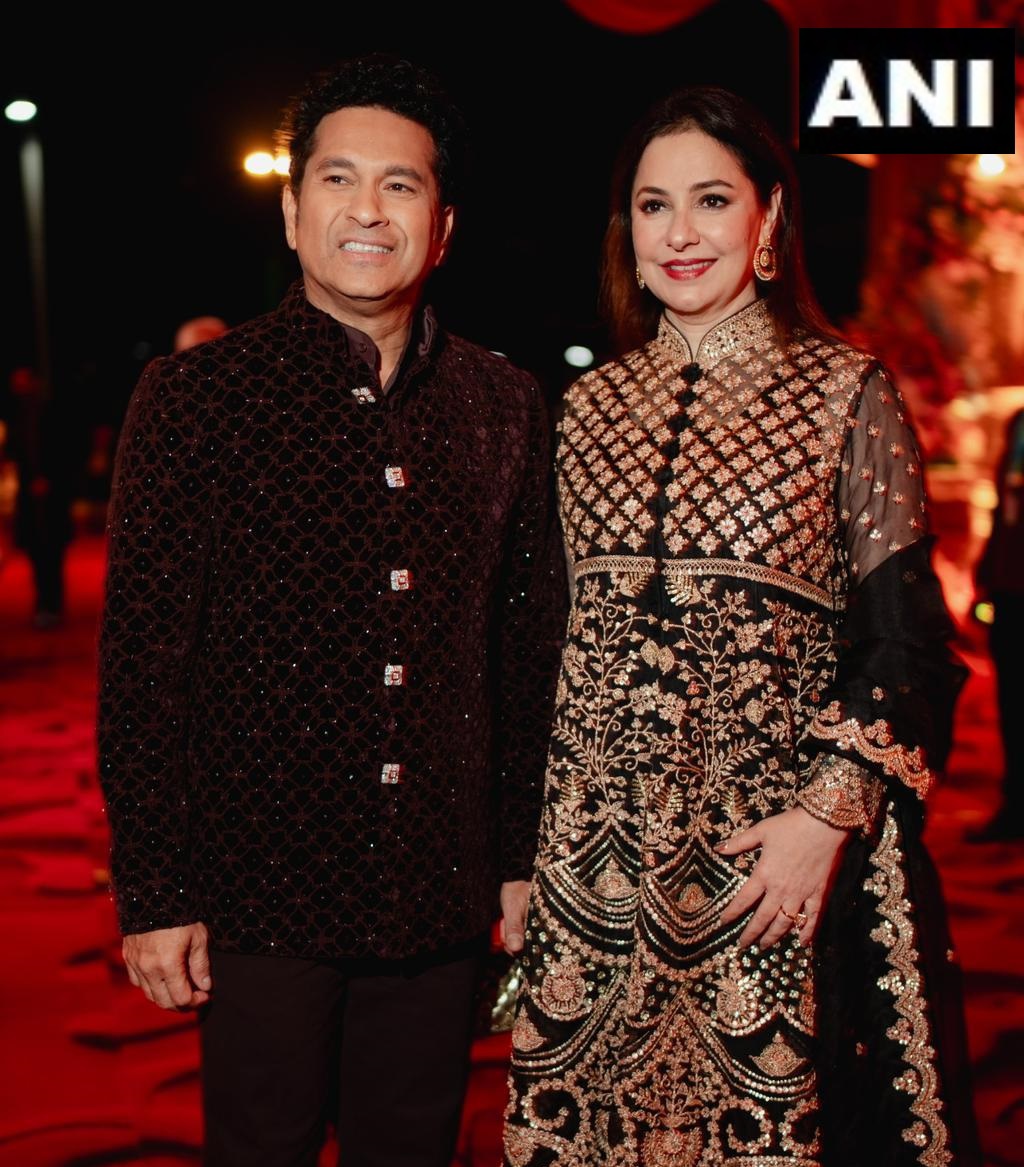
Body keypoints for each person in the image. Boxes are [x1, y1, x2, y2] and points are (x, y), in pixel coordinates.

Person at [97, 56, 564, 1167]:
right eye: (339, 181)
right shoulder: (198, 396)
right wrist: (155, 889)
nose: (368, 210)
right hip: (258, 893)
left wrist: (518, 856)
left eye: (399, 187)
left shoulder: (503, 402)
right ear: (295, 210)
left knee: (415, 1147)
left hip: (438, 895)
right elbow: (144, 662)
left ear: (441, 225)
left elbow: (522, 645)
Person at [503, 86, 980, 1166]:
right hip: (598, 865)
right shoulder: (582, 410)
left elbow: (905, 638)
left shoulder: (845, 394)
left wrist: (824, 820)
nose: (678, 234)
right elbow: (542, 641)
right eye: (650, 205)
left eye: (710, 201)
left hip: (773, 864)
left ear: (768, 221)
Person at [970, 408, 1024, 842]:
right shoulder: (1018, 423)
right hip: (1012, 583)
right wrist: (988, 571)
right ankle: (1016, 802)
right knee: (1012, 699)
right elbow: (1004, 505)